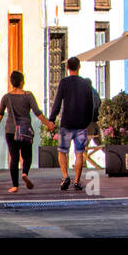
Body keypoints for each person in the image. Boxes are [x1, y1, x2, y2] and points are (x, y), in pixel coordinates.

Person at [0, 71, 53, 194]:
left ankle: (15, 186)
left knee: (14, 157)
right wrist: (48, 124)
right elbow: (37, 113)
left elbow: (0, 114)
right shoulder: (28, 96)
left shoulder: (6, 97)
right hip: (25, 130)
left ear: (11, 83)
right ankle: (25, 173)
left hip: (10, 131)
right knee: (27, 155)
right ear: (21, 82)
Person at [48, 57, 98, 192]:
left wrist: (52, 119)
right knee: (79, 153)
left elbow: (57, 102)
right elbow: (91, 105)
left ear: (68, 68)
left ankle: (65, 176)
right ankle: (77, 180)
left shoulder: (64, 83)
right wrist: (87, 121)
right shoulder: (86, 84)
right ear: (79, 67)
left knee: (62, 151)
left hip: (66, 123)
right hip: (81, 124)